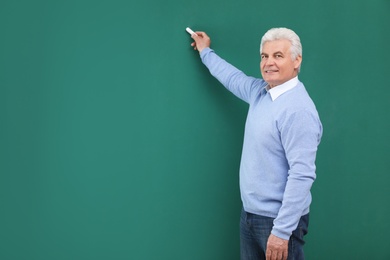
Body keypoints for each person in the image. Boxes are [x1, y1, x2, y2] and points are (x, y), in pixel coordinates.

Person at [190, 28, 323, 260]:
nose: (268, 63)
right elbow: (231, 77)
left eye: (278, 56)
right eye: (264, 56)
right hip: (250, 214)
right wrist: (205, 51)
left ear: (296, 60)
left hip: (279, 222)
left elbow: (302, 174)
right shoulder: (260, 92)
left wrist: (281, 232)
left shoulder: (298, 110)